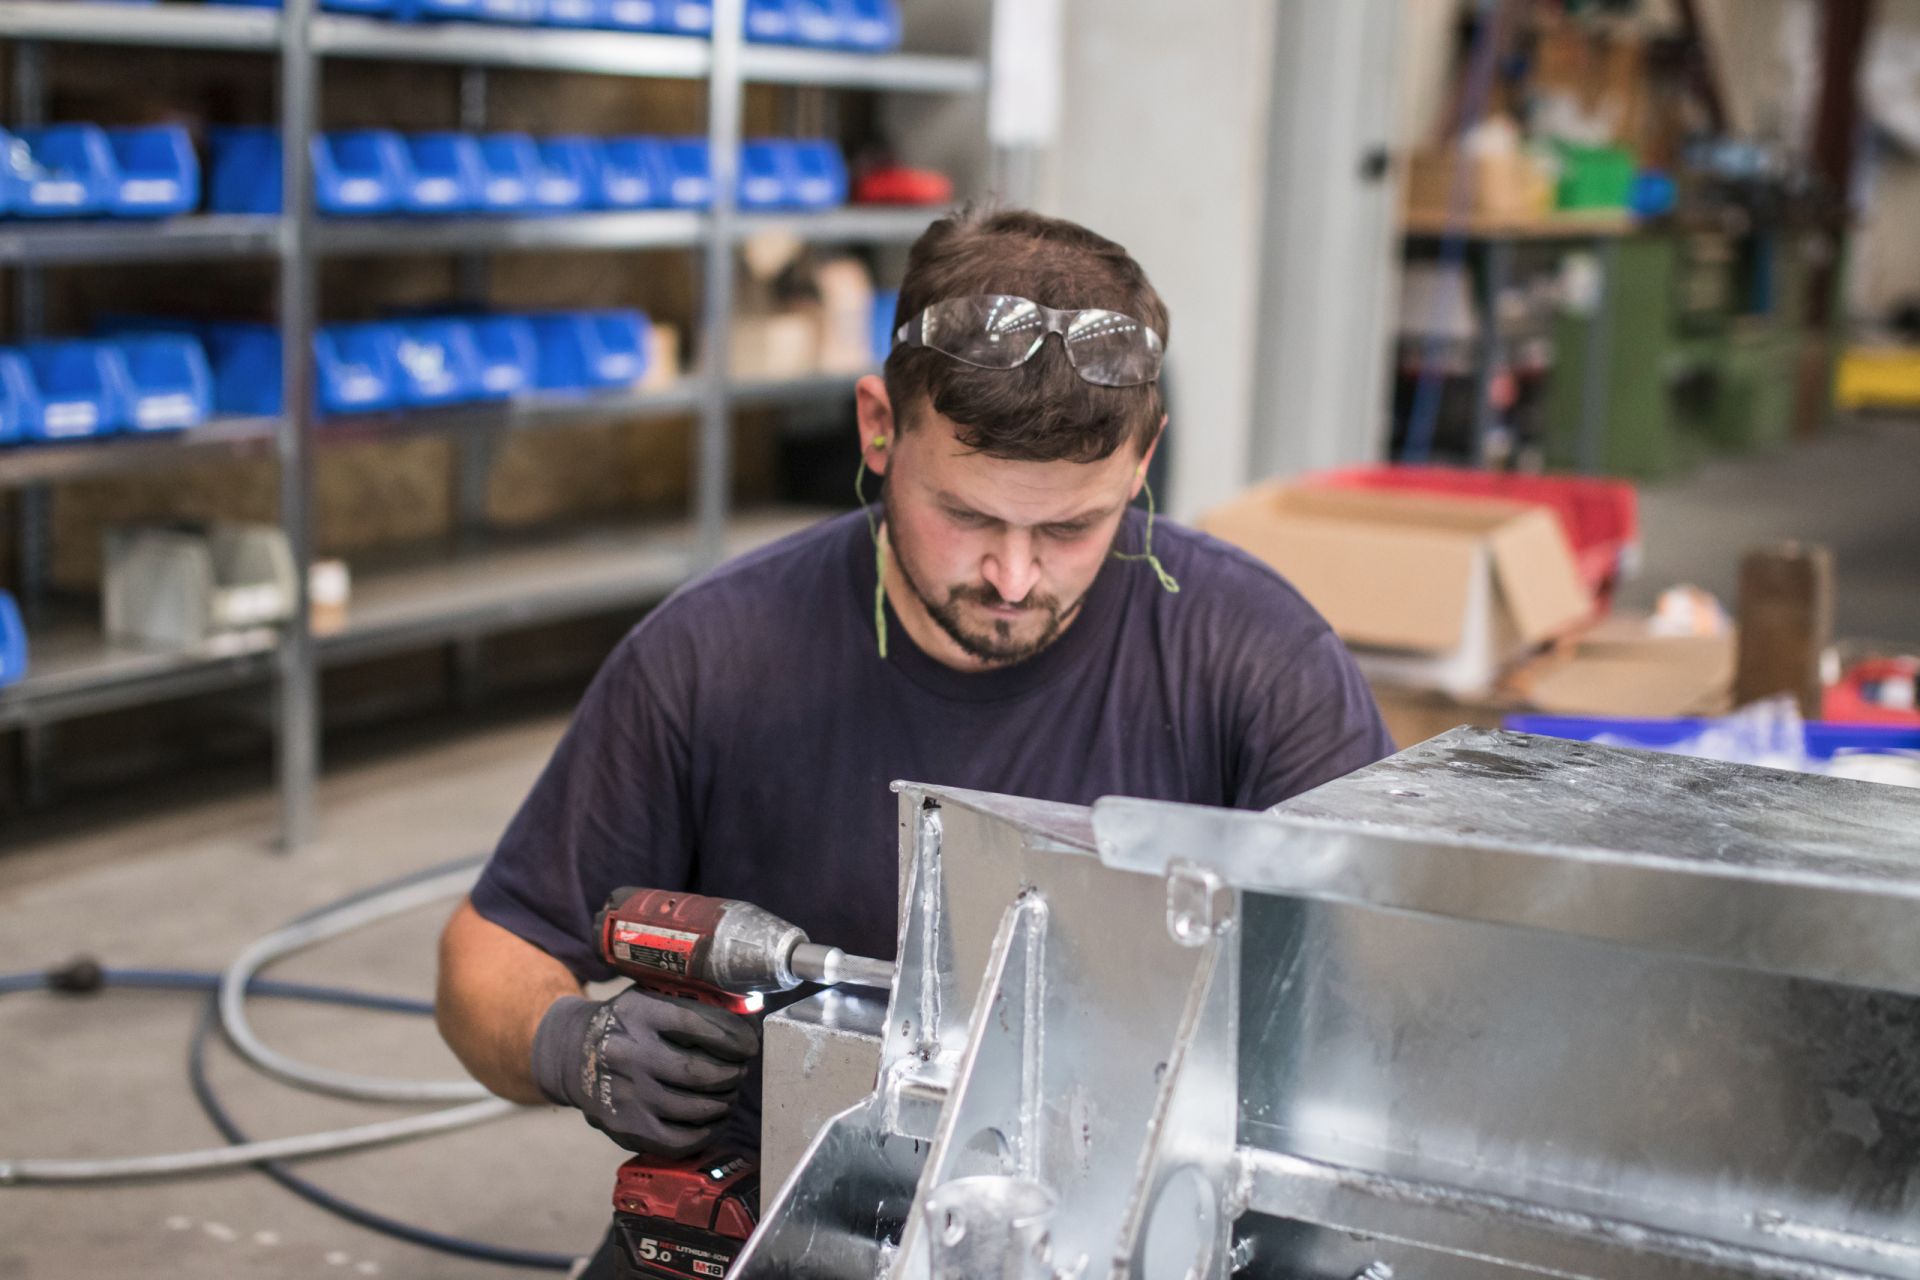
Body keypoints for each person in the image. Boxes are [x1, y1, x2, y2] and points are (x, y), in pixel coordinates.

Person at [434, 206, 1394, 1269]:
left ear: (1143, 459)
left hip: (1117, 1227)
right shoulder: (713, 655)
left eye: (1070, 526)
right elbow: (487, 956)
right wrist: (569, 1042)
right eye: (968, 516)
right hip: (774, 1225)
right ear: (878, 428)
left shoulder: (1258, 661)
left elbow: (1384, 1007)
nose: (1014, 577)